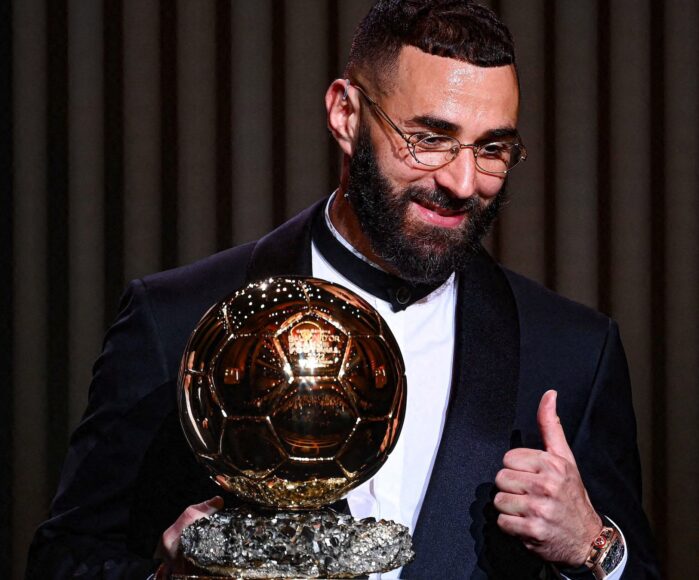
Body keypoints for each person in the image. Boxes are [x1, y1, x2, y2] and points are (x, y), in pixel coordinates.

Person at [27, 1, 659, 578]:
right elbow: (64, 557)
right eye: (429, 139)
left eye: (492, 148)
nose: (464, 183)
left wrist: (595, 547)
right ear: (346, 114)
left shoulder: (575, 352)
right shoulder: (175, 320)